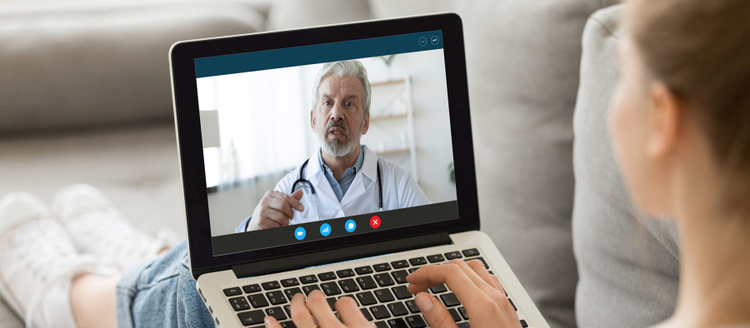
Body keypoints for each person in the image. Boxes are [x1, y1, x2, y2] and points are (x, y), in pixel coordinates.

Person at [1, 0, 749, 327]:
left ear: (662, 125)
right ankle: (142, 259)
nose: (335, 115)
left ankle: (77, 296)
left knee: (209, 297)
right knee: (237, 254)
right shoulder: (295, 179)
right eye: (324, 103)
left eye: (624, 70)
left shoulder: (397, 181)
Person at [238, 60, 430, 232]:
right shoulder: (290, 187)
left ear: (365, 122)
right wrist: (252, 228)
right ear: (313, 120)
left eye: (348, 104)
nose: (336, 114)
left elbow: (435, 236)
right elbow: (245, 259)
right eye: (328, 102)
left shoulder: (398, 182)